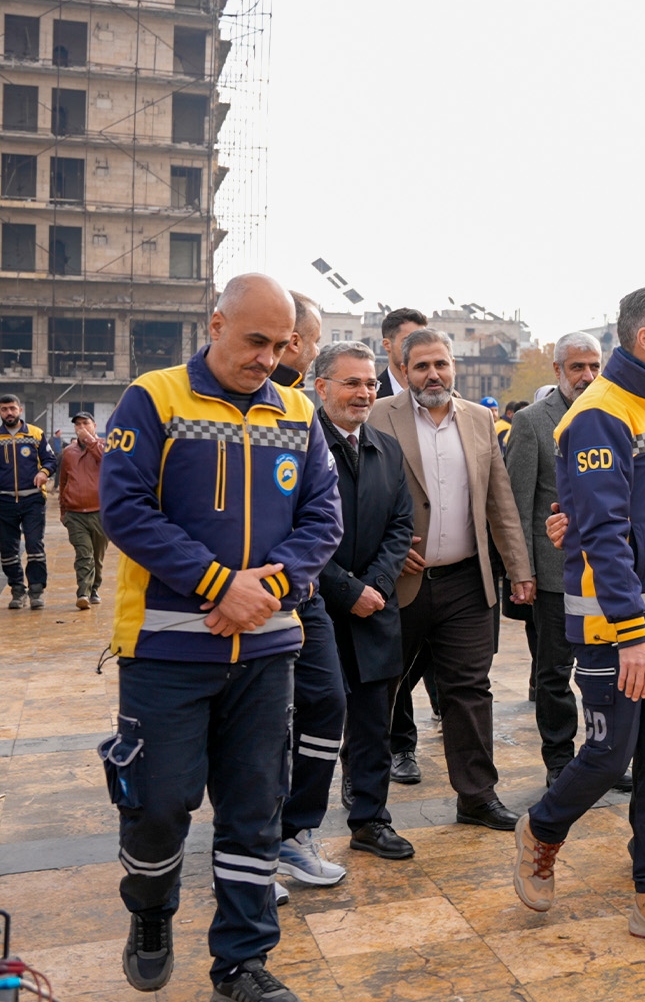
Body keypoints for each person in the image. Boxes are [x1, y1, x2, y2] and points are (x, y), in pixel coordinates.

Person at [98, 273, 343, 1000]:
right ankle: (151, 911)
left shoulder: (298, 411)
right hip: (167, 651)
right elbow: (125, 509)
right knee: (158, 806)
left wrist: (267, 589)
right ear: (215, 325)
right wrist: (217, 584)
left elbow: (323, 516)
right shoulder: (154, 398)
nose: (267, 359)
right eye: (255, 341)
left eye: (281, 345)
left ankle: (242, 962)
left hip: (265, 651)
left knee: (254, 813)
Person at [513, 287, 645, 950]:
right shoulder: (602, 413)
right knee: (608, 753)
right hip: (620, 630)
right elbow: (604, 535)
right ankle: (543, 829)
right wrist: (631, 634)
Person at [367, 326, 535, 830]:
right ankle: (366, 803)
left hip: (466, 582)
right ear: (403, 372)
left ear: (453, 366)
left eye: (441, 364)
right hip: (399, 583)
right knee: (378, 688)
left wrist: (520, 569)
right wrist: (386, 552)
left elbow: (500, 500)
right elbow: (360, 497)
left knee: (469, 689)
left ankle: (477, 796)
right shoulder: (378, 416)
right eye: (421, 366)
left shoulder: (480, 419)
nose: (433, 374)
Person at [309, 342, 418, 862]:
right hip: (314, 607)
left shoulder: (386, 448)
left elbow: (401, 525)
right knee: (309, 723)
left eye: (371, 383)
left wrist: (374, 584)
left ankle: (371, 820)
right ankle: (294, 831)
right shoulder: (300, 445)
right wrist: (345, 589)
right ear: (321, 387)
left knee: (374, 723)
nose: (364, 392)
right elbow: (292, 531)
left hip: (375, 607)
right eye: (351, 382)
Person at [264, 290, 357, 892]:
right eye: (318, 339)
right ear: (295, 342)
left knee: (326, 703)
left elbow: (323, 510)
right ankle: (249, 849)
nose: (317, 349)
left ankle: (294, 833)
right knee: (258, 725)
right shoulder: (196, 400)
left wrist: (287, 576)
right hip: (230, 596)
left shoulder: (300, 409)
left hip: (300, 591)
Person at [506, 332, 602, 786]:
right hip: (554, 576)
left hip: (609, 572)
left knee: (606, 672)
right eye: (578, 367)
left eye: (594, 366)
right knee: (554, 674)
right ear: (558, 370)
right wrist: (521, 571)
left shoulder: (612, 415)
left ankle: (603, 756)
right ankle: (560, 760)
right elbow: (517, 504)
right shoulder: (530, 422)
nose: (587, 376)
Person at [0, 392, 56, 609]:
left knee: (34, 545)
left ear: (20, 410)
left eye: (12, 408)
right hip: (4, 502)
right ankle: (17, 590)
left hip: (33, 500)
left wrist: (43, 472)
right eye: (4, 409)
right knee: (8, 550)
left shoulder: (35, 433)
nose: (9, 413)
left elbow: (50, 460)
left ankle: (36, 590)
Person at [58, 412, 106, 609]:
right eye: (78, 424)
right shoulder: (68, 452)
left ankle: (94, 588)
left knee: (97, 557)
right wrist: (63, 510)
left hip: (100, 512)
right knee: (84, 554)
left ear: (94, 426)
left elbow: (106, 460)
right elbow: (63, 481)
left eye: (85, 423)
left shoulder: (105, 446)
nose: (82, 427)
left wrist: (90, 441)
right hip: (75, 513)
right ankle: (83, 593)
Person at [375, 308, 428, 399]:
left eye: (423, 341)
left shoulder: (440, 395)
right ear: (387, 345)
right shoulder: (371, 395)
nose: (419, 348)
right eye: (409, 341)